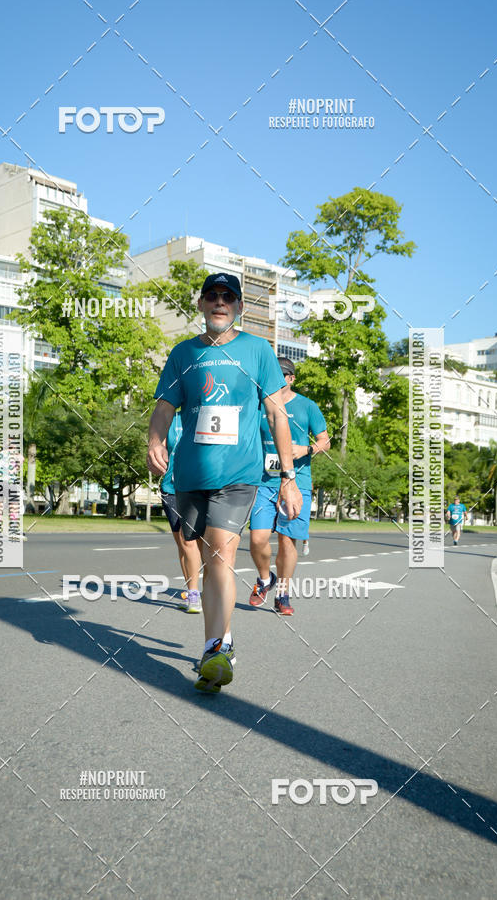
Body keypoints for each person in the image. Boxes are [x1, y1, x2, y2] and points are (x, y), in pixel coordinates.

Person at [147, 273, 302, 693]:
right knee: (204, 555)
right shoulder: (183, 353)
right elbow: (164, 407)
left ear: (238, 307)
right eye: (212, 296)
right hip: (190, 474)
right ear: (200, 304)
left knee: (221, 554)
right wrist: (155, 441)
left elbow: (276, 414)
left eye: (228, 297)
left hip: (239, 475)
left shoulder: (257, 350)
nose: (220, 302)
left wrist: (288, 477)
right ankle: (221, 642)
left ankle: (214, 649)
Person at [248, 357, 329, 615]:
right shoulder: (259, 404)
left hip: (297, 482)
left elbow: (325, 441)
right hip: (264, 481)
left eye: (281, 374)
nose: (276, 377)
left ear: (291, 378)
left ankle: (282, 593)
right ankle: (265, 579)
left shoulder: (307, 406)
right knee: (257, 538)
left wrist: (306, 449)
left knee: (287, 540)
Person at [159, 410, 203, 612]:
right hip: (171, 488)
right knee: (183, 543)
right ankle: (192, 592)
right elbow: (160, 447)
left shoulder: (205, 415)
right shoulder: (170, 419)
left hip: (199, 488)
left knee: (193, 542)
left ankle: (202, 590)